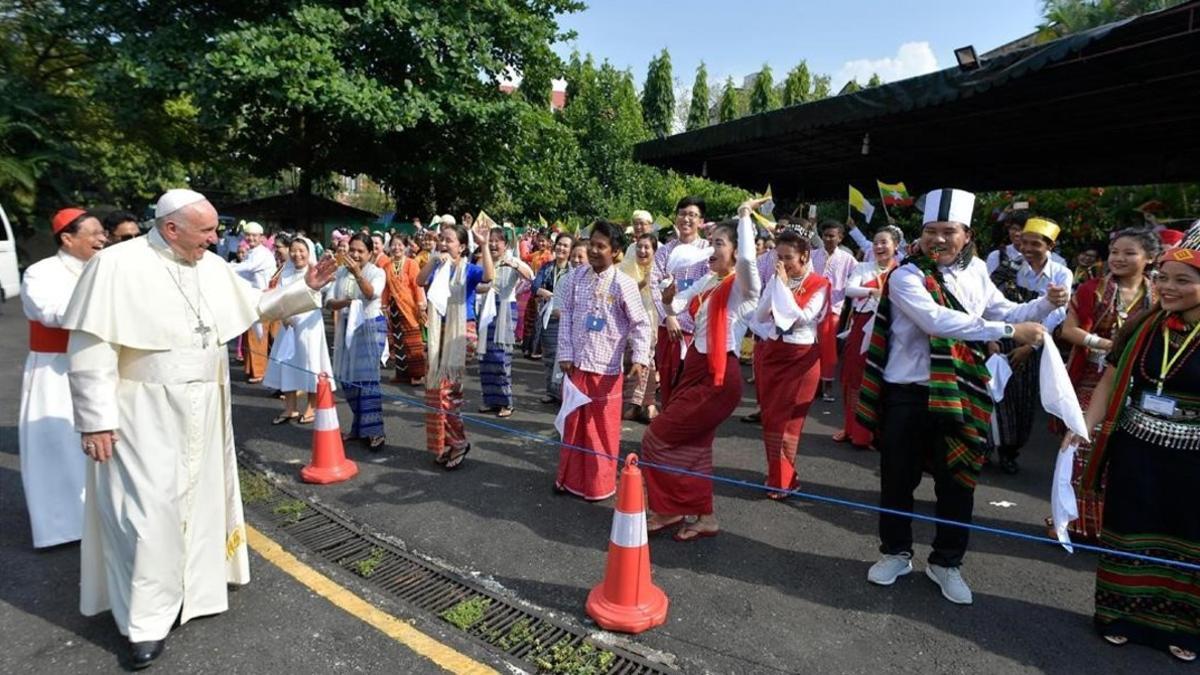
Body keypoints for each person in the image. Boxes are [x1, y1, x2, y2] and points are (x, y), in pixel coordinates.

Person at [63, 189, 335, 668]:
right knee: (148, 514)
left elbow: (254, 305)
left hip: (206, 403)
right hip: (142, 408)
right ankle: (144, 621)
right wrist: (96, 420)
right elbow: (90, 348)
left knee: (202, 497)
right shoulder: (117, 266)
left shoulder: (208, 266)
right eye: (207, 231)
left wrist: (304, 287)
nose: (216, 239)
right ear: (171, 228)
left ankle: (196, 589)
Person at [858, 188, 1066, 605]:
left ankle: (946, 562)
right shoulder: (906, 275)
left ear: (966, 234)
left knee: (959, 482)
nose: (938, 239)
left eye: (947, 231)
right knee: (898, 480)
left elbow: (1006, 310)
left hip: (960, 389)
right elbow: (938, 321)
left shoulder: (975, 275)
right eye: (930, 231)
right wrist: (1009, 333)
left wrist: (1045, 304)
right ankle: (895, 553)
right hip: (908, 394)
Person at [1070, 224, 1200, 662]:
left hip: (1193, 461)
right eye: (1163, 277)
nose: (1167, 287)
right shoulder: (1146, 326)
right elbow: (1109, 379)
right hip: (1137, 447)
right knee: (1128, 531)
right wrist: (1084, 424)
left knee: (1186, 537)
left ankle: (1183, 628)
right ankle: (1119, 616)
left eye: (1183, 281)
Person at [643, 199, 763, 542]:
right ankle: (701, 515)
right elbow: (677, 304)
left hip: (718, 379)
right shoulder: (710, 281)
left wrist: (743, 217)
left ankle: (672, 507)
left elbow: (750, 261)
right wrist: (667, 300)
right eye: (711, 243)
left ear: (737, 252)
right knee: (691, 447)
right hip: (694, 369)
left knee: (656, 437)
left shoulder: (743, 288)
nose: (712, 249)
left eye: (719, 243)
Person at [1052, 228, 1158, 540]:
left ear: (1149, 258)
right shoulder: (1091, 290)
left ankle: (1111, 525)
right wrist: (1104, 343)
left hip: (1139, 385)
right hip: (1091, 379)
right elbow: (1068, 331)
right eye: (1114, 252)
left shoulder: (1158, 296)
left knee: (1123, 455)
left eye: (1129, 253)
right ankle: (1075, 522)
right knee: (1082, 444)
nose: (1119, 258)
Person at [19, 208, 106, 549]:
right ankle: (61, 527)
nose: (103, 238)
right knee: (56, 446)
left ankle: (100, 519)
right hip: (54, 370)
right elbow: (48, 312)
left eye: (103, 232)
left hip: (99, 368)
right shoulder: (41, 273)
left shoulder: (103, 268)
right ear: (68, 239)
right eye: (94, 233)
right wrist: (100, 306)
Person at [555, 221, 650, 500]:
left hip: (606, 370)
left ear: (616, 251)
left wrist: (640, 357)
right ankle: (568, 480)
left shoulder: (624, 284)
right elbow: (566, 317)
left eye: (601, 246)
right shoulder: (575, 278)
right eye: (591, 244)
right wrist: (565, 354)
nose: (594, 250)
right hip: (576, 366)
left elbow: (641, 325)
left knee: (601, 433)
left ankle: (598, 486)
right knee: (573, 427)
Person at [989, 217, 1073, 474]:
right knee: (993, 395)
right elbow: (989, 304)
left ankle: (1009, 451)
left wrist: (1031, 346)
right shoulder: (1005, 267)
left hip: (1036, 341)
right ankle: (984, 447)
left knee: (1022, 400)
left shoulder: (1061, 273)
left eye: (1034, 243)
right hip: (1000, 335)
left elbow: (1057, 313)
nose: (1026, 248)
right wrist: (989, 338)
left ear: (1050, 245)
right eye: (1023, 242)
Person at [750, 228, 828, 495]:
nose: (783, 264)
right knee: (771, 419)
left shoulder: (819, 284)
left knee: (789, 424)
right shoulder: (777, 280)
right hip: (774, 354)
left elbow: (801, 317)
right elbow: (760, 316)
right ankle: (777, 475)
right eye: (778, 258)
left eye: (789, 258)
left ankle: (784, 480)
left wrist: (782, 289)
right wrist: (776, 286)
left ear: (805, 256)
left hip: (802, 358)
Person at [419, 220, 495, 469]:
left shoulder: (469, 269)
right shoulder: (438, 266)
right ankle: (449, 443)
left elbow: (489, 276)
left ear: (462, 247)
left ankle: (459, 443)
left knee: (447, 393)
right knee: (437, 392)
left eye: (449, 240)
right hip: (438, 331)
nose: (443, 243)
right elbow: (420, 281)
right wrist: (433, 258)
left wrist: (483, 245)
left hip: (463, 333)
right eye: (441, 238)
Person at [834, 226, 901, 448]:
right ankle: (854, 430)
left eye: (884, 242)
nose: (879, 246)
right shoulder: (864, 267)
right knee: (854, 378)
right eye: (876, 242)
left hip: (888, 330)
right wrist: (872, 291)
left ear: (896, 246)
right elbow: (849, 290)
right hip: (861, 326)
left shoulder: (902, 271)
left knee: (881, 380)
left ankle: (877, 433)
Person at [650, 196, 712, 409]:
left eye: (692, 215)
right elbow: (653, 285)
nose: (686, 219)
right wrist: (670, 317)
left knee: (690, 384)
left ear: (701, 221)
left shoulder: (708, 250)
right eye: (682, 214)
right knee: (667, 380)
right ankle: (667, 427)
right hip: (668, 327)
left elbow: (709, 288)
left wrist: (688, 320)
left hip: (695, 330)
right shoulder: (665, 251)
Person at [326, 233, 387, 450]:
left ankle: (374, 431)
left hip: (371, 328)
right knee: (348, 379)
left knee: (367, 380)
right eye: (352, 250)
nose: (355, 254)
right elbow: (329, 302)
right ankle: (359, 426)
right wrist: (345, 302)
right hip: (347, 327)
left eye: (361, 251)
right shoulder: (341, 272)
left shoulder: (377, 272)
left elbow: (372, 295)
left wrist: (358, 274)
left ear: (370, 253)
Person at [263, 237, 333, 424]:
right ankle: (290, 408)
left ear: (309, 252)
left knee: (311, 363)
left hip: (309, 325)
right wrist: (282, 315)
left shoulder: (314, 271)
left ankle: (312, 407)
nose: (297, 254)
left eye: (301, 250)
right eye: (293, 250)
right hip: (288, 325)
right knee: (286, 363)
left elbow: (321, 294)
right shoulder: (285, 272)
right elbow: (277, 296)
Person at [478, 226, 533, 418]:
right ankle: (489, 400)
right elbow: (476, 283)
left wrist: (515, 265)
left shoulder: (511, 260)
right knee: (485, 357)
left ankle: (506, 402)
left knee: (502, 357)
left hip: (505, 310)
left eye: (497, 241)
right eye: (490, 240)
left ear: (505, 244)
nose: (493, 245)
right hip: (485, 310)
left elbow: (530, 277)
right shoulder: (482, 259)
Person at [811, 220, 856, 401]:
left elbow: (858, 278)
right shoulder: (812, 255)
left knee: (828, 348)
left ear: (840, 238)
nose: (828, 239)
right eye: (825, 235)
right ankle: (813, 384)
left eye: (832, 236)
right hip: (810, 307)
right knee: (810, 346)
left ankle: (827, 383)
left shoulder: (848, 259)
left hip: (833, 309)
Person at [230, 221, 277, 383]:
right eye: (248, 235)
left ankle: (260, 371)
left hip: (263, 299)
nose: (250, 238)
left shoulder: (261, 253)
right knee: (252, 335)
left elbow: (248, 268)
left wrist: (226, 267)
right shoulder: (252, 252)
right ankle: (253, 369)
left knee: (258, 336)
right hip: (254, 298)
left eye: (254, 236)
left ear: (261, 237)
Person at [620, 232, 660, 422]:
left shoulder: (661, 269)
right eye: (639, 247)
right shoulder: (626, 267)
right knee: (631, 361)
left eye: (647, 247)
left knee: (647, 361)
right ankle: (638, 404)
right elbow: (626, 290)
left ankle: (641, 404)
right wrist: (646, 280)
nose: (642, 251)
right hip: (628, 321)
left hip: (652, 321)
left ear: (654, 251)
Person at [534, 233, 575, 404]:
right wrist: (545, 292)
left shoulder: (574, 270)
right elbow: (535, 285)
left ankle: (564, 392)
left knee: (565, 357)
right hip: (549, 315)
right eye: (559, 244)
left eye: (566, 246)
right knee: (550, 356)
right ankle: (551, 391)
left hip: (568, 317)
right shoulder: (547, 267)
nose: (561, 248)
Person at [382, 235, 427, 386]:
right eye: (394, 245)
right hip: (394, 308)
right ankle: (401, 374)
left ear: (405, 247)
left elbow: (417, 285)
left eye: (400, 245)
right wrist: (383, 305)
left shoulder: (411, 263)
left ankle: (417, 375)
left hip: (410, 307)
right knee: (397, 341)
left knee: (413, 341)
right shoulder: (387, 266)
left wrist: (420, 303)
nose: (397, 248)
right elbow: (386, 288)